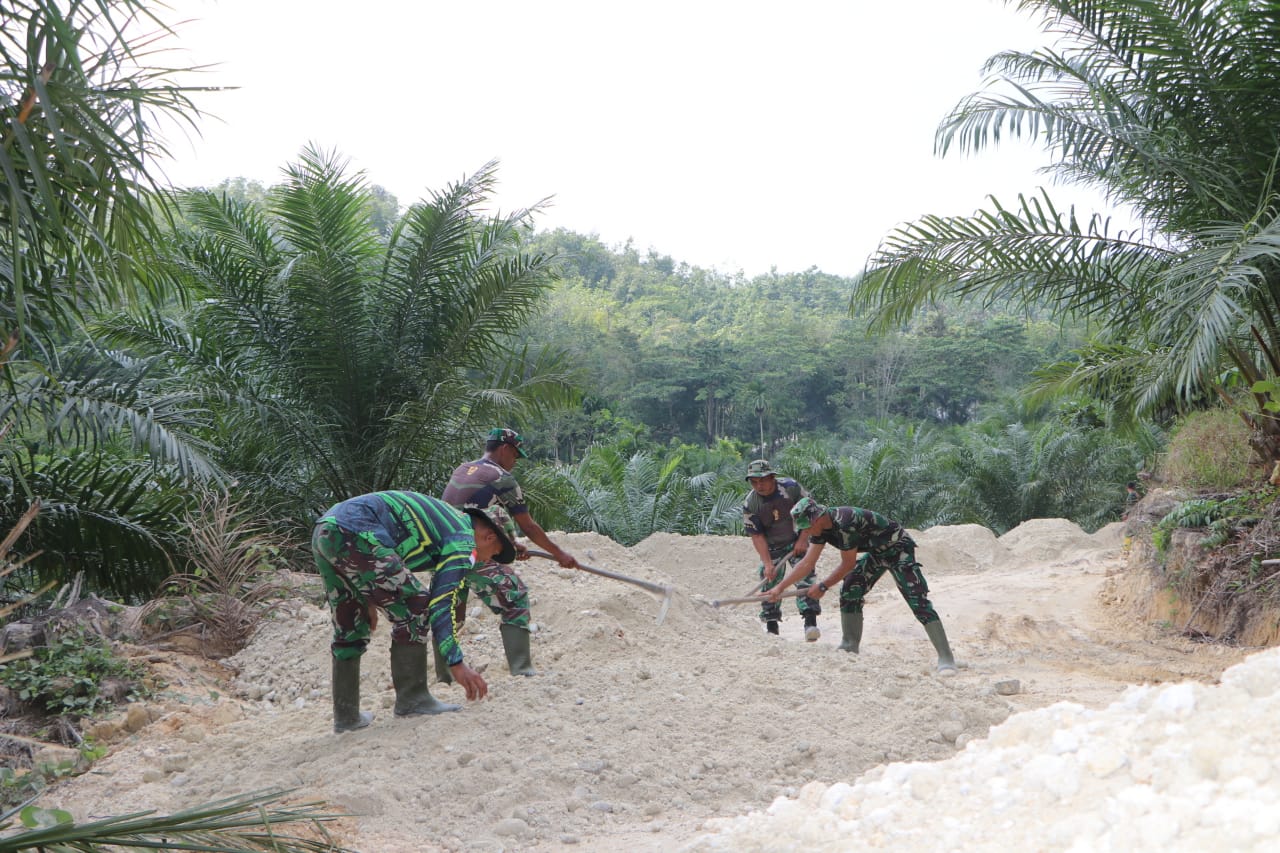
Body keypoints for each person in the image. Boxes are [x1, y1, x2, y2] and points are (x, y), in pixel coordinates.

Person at [312, 490, 518, 732]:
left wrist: (366, 598)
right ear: (489, 536)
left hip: (326, 529)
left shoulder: (448, 520)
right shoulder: (463, 539)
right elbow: (440, 602)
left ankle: (346, 716)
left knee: (352, 621)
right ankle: (413, 698)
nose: (486, 561)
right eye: (493, 554)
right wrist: (456, 663)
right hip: (358, 532)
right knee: (416, 606)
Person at [440, 427, 579, 678]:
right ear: (504, 449)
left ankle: (444, 675)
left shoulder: (463, 469)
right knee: (515, 597)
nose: (515, 462)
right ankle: (522, 670)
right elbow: (529, 525)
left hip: (441, 550)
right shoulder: (501, 477)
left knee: (451, 611)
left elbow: (481, 516)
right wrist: (560, 554)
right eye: (515, 455)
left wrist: (510, 547)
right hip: (470, 551)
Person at [768, 496, 957, 674]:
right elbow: (807, 563)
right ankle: (849, 645)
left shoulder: (845, 522)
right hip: (877, 553)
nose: (806, 532)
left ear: (817, 518)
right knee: (851, 589)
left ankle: (946, 658)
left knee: (917, 599)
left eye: (807, 527)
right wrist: (779, 587)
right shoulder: (820, 529)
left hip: (898, 548)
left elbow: (848, 564)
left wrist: (823, 586)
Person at [741, 459, 821, 640]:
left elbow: (810, 512)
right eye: (754, 482)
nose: (758, 485)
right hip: (772, 546)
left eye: (762, 480)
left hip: (796, 541)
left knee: (805, 575)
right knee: (768, 579)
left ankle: (810, 623)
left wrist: (802, 539)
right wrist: (767, 562)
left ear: (772, 477)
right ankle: (772, 626)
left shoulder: (791, 488)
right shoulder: (751, 504)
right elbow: (757, 535)